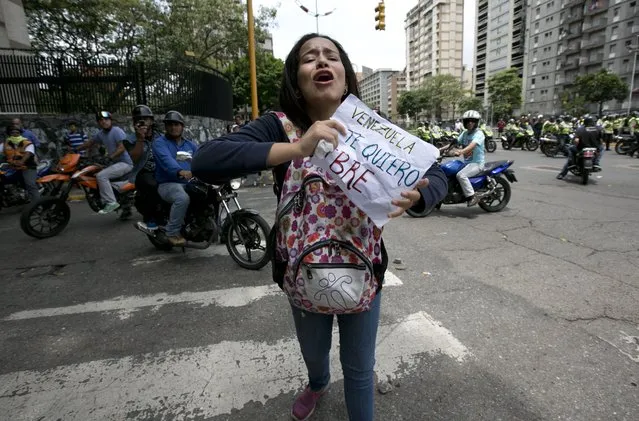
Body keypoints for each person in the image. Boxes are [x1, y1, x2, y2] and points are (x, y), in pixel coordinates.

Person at [191, 33, 448, 421]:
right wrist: (298, 148)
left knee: (360, 368)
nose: (322, 62)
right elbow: (206, 161)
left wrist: (420, 197)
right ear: (297, 80)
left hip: (364, 273)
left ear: (346, 76)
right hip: (301, 274)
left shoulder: (373, 128)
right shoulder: (278, 126)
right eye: (310, 58)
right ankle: (317, 383)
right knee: (313, 353)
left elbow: (436, 171)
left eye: (332, 56)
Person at [152, 111, 198, 246]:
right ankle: (172, 232)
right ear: (165, 127)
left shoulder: (190, 145)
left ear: (182, 126)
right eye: (170, 124)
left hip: (189, 182)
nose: (173, 127)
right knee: (182, 198)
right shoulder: (160, 143)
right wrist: (180, 171)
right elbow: (166, 161)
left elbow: (201, 157)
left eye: (176, 124)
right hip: (168, 183)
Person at [77, 111, 133, 214]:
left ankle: (111, 202)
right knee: (96, 172)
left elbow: (122, 147)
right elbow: (91, 142)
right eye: (101, 120)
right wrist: (76, 149)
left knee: (101, 176)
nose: (104, 122)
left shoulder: (117, 131)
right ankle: (125, 207)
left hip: (126, 163)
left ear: (110, 120)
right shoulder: (101, 133)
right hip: (114, 163)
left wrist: (110, 157)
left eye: (106, 119)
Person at [125, 105, 163, 232]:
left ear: (151, 121)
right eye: (138, 120)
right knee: (153, 185)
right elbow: (135, 159)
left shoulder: (160, 136)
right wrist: (140, 138)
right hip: (143, 172)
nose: (142, 122)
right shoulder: (130, 139)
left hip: (161, 170)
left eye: (145, 119)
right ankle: (151, 219)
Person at [450, 110, 486, 207]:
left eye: (473, 121)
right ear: (464, 122)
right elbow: (456, 142)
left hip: (477, 164)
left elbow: (471, 146)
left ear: (476, 122)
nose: (470, 123)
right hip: (467, 163)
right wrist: (440, 150)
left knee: (461, 175)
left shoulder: (479, 134)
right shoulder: (465, 133)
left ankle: (472, 196)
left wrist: (460, 152)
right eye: (468, 121)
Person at [1, 125, 40, 202]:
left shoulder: (27, 143)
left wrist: (21, 162)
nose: (15, 134)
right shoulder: (5, 144)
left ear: (20, 134)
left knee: (30, 185)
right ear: (9, 134)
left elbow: (28, 153)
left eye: (17, 133)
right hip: (12, 167)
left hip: (27, 167)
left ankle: (38, 205)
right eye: (12, 133)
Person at [556, 114, 602, 180]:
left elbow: (576, 141)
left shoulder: (580, 129)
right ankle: (596, 162)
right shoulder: (598, 128)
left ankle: (562, 173)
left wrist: (575, 144)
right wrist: (597, 148)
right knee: (601, 149)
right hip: (594, 148)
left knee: (570, 152)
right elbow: (601, 140)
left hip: (582, 148)